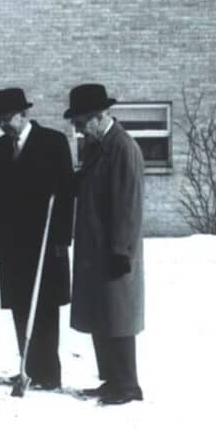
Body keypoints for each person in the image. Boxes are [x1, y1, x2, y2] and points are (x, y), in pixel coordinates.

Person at [0, 87, 74, 390]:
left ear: (24, 114)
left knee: (45, 307)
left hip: (45, 242)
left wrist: (62, 238)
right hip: (12, 246)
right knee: (20, 306)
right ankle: (28, 366)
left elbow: (66, 193)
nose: (2, 124)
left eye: (7, 118)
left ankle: (49, 373)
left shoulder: (53, 142)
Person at [65, 83, 145, 405]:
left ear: (98, 116)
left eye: (81, 122)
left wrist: (120, 251)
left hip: (114, 250)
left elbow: (128, 205)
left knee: (119, 315)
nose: (78, 129)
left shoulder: (123, 148)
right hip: (94, 247)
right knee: (101, 314)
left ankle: (127, 384)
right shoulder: (97, 145)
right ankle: (110, 379)